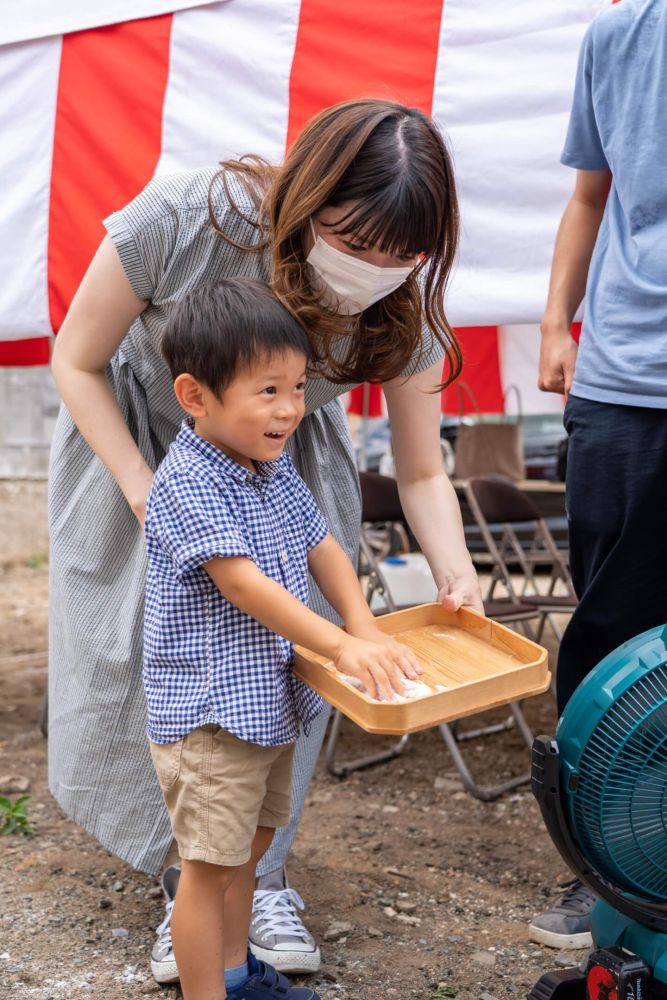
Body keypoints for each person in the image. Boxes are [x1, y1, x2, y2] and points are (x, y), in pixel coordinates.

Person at [49, 97, 483, 984]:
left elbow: (422, 469)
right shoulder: (185, 216)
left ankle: (258, 876)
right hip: (142, 444)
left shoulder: (397, 308)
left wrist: (453, 571)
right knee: (155, 665)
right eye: (354, 244)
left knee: (276, 675)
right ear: (306, 197)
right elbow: (75, 358)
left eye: (399, 258)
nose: (373, 272)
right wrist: (144, 492)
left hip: (278, 468)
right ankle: (189, 888)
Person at [145, 278, 423, 999]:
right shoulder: (187, 480)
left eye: (297, 387)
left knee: (253, 848)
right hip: (209, 716)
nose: (290, 409)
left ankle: (238, 976)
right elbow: (241, 583)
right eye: (267, 390)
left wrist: (360, 626)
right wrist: (339, 647)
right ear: (195, 395)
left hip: (263, 703)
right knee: (207, 869)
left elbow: (322, 546)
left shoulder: (268, 468)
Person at [530, 0, 667, 951]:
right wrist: (553, 321)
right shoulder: (614, 38)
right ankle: (601, 869)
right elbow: (590, 194)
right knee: (609, 636)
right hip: (622, 379)